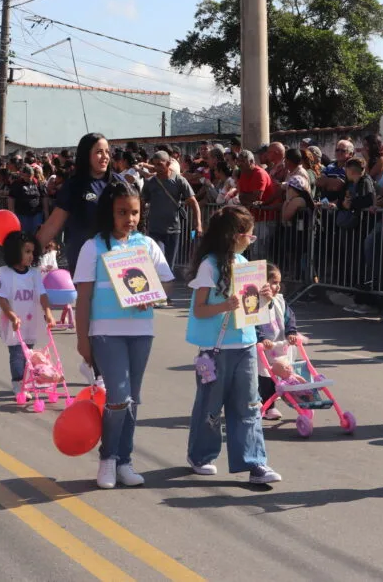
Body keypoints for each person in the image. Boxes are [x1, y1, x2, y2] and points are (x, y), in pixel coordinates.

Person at [73, 181, 174, 489]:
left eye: (134, 212)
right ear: (109, 212)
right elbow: (84, 297)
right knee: (118, 398)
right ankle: (107, 458)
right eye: (122, 212)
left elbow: (167, 283)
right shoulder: (93, 247)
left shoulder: (147, 244)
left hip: (141, 332)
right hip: (105, 332)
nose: (129, 219)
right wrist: (82, 339)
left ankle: (124, 461)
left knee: (132, 399)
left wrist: (152, 295)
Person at [185, 205, 281, 484]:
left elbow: (253, 308)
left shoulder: (244, 263)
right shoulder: (209, 265)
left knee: (249, 405)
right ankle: (201, 455)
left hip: (246, 345)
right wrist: (224, 306)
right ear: (236, 235)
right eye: (250, 235)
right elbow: (199, 309)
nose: (251, 241)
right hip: (215, 349)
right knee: (210, 405)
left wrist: (265, 298)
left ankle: (255, 462)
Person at [37, 133, 116, 275]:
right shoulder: (73, 186)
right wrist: (29, 252)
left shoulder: (119, 183)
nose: (105, 156)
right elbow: (53, 224)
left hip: (115, 258)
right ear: (86, 155)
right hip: (82, 259)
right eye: (99, 152)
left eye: (107, 152)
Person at [0, 231, 55, 400]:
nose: (31, 256)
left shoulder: (34, 274)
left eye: (32, 252)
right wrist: (12, 316)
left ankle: (27, 381)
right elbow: (2, 299)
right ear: (15, 252)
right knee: (17, 354)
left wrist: (48, 312)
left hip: (30, 322)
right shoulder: (5, 274)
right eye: (27, 252)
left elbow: (42, 295)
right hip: (14, 323)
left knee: (29, 354)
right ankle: (18, 382)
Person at [143, 151, 202, 279]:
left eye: (160, 164)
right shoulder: (150, 182)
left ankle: (167, 290)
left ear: (168, 164)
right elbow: (141, 203)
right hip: (155, 230)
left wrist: (198, 224)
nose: (157, 168)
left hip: (173, 230)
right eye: (155, 165)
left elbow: (193, 202)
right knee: (156, 263)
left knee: (169, 267)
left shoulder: (179, 180)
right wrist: (140, 223)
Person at [255, 263, 300, 422]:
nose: (278, 287)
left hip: (279, 345)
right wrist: (261, 338)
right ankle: (269, 406)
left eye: (279, 283)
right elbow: (254, 323)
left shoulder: (280, 300)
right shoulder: (255, 302)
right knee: (266, 376)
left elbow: (289, 317)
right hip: (265, 347)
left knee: (283, 373)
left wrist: (291, 332)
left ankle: (288, 397)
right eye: (274, 282)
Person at [7, 158, 45, 236]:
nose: (28, 178)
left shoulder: (38, 183)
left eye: (30, 176)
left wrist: (46, 213)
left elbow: (44, 197)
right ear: (22, 175)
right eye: (26, 176)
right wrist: (12, 213)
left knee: (36, 235)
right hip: (22, 214)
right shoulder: (17, 184)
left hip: (36, 214)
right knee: (24, 235)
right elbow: (11, 198)